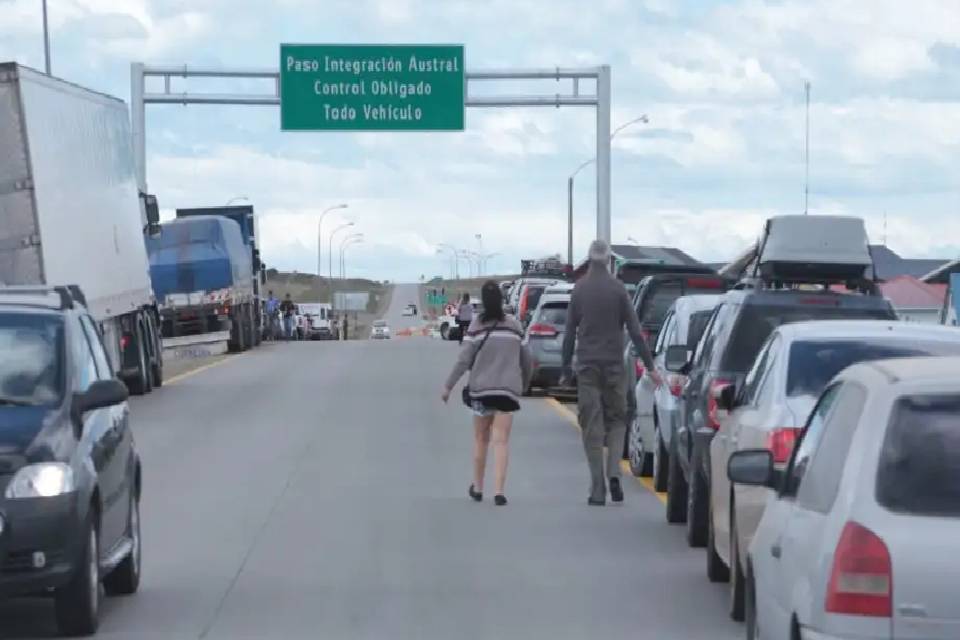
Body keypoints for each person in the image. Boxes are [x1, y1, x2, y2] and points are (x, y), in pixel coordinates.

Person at [561, 239, 662, 506]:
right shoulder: (618, 289)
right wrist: (650, 367)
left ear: (589, 259)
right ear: (608, 260)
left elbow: (569, 332)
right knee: (617, 420)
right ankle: (614, 471)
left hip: (587, 367)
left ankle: (597, 488)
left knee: (591, 425)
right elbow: (636, 331)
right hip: (615, 367)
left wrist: (565, 368)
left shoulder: (580, 289)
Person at [442, 281, 532, 506]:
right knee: (501, 441)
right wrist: (524, 383)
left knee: (481, 439)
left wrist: (448, 386)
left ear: (483, 301)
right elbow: (527, 359)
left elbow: (464, 360)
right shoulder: (514, 326)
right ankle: (499, 491)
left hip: (481, 391)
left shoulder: (477, 325)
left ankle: (478, 487)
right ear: (501, 300)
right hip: (507, 392)